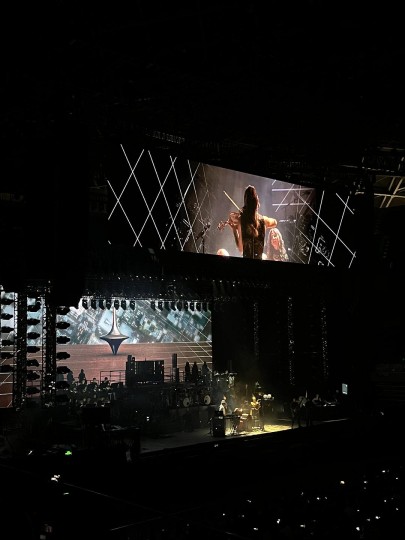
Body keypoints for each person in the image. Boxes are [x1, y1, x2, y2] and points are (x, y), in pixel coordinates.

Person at [227, 185, 277, 259]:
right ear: (257, 202)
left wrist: (234, 230)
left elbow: (241, 249)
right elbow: (275, 222)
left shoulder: (242, 221)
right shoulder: (264, 220)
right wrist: (264, 224)